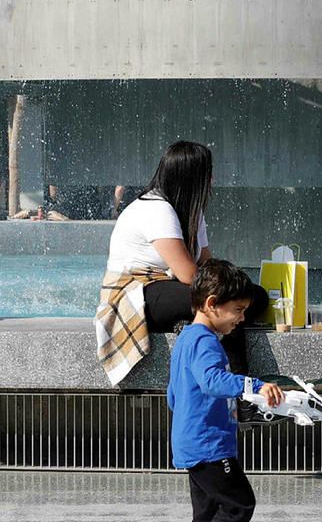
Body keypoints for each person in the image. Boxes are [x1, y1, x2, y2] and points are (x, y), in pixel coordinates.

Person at [95, 140, 267, 386]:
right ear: (191, 177)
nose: (212, 181)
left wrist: (236, 283)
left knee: (255, 296)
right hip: (137, 292)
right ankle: (242, 393)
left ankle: (230, 379)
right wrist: (229, 289)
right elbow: (189, 275)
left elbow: (207, 264)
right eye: (208, 174)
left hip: (170, 287)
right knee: (223, 303)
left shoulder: (191, 211)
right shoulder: (156, 209)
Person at [168, 258, 283, 522]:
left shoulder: (187, 337)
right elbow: (213, 380)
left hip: (191, 442)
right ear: (211, 304)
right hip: (209, 445)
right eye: (237, 310)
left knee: (206, 513)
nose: (241, 318)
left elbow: (174, 394)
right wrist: (255, 385)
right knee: (239, 505)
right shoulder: (205, 342)